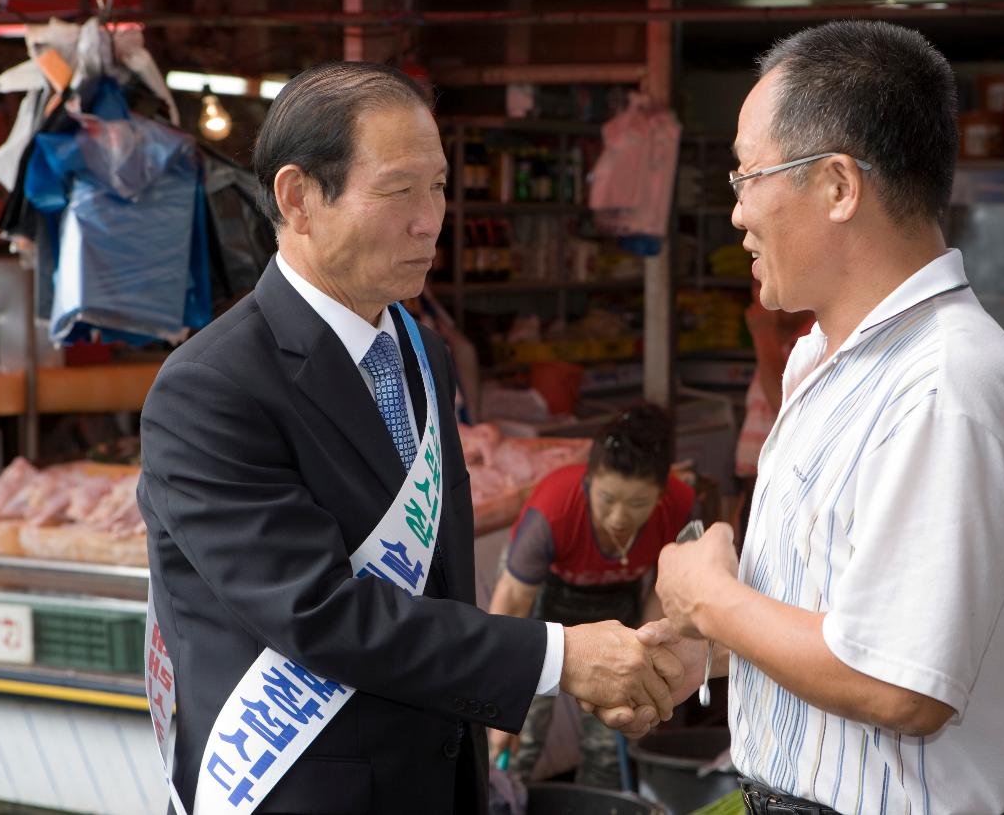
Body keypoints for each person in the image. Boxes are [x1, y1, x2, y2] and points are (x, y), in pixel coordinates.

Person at [137, 62, 684, 815]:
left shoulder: (420, 351)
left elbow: (437, 583)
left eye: (438, 186)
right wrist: (558, 656)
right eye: (399, 190)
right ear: (298, 198)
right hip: (304, 788)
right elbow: (320, 611)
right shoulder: (210, 387)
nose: (431, 219)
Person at [632, 21, 1004, 815]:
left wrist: (709, 596)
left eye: (748, 176)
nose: (736, 213)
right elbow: (838, 617)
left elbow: (900, 684)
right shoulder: (827, 360)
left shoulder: (944, 385)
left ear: (838, 186)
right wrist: (712, 650)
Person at [487, 404, 696, 788]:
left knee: (611, 741)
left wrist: (641, 652)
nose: (619, 517)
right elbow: (512, 602)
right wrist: (502, 696)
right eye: (607, 499)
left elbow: (663, 592)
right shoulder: (554, 510)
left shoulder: (680, 505)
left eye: (637, 504)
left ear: (661, 492)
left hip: (618, 608)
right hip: (538, 610)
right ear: (588, 481)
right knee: (520, 732)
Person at [733, 279, 814, 533]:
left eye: (765, 281)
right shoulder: (783, 343)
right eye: (755, 285)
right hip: (756, 488)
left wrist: (762, 335)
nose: (761, 294)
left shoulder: (814, 340)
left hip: (784, 491)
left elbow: (786, 406)